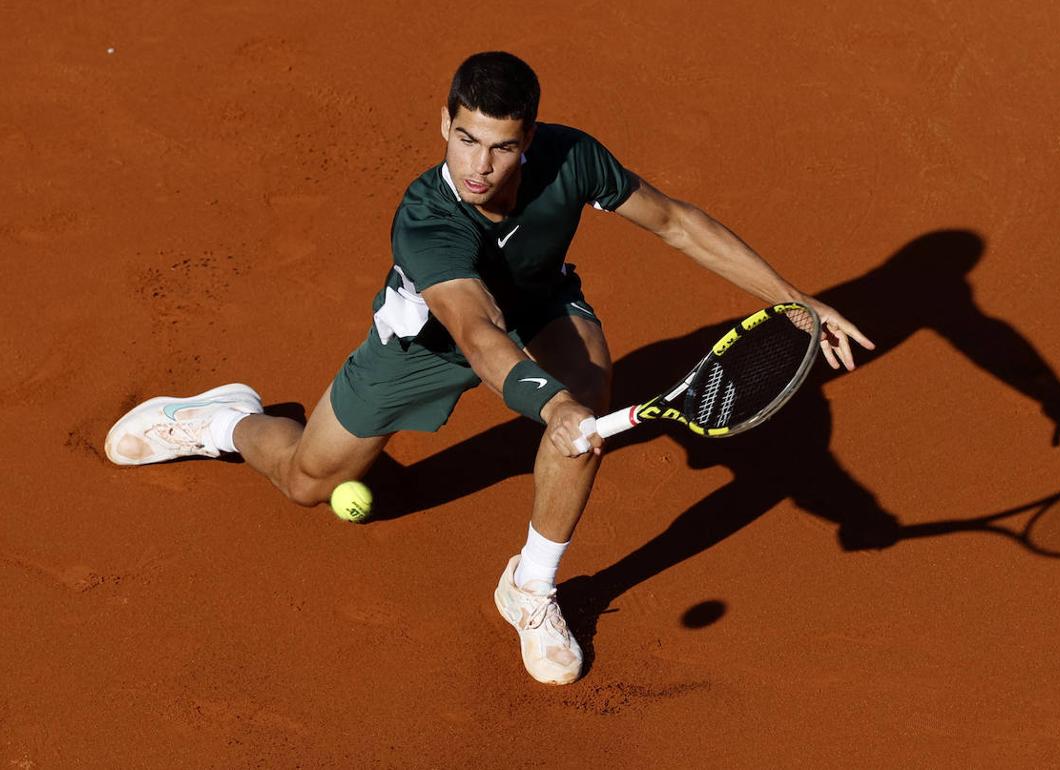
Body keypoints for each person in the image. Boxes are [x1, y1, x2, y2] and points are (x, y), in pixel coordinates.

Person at [104, 51, 874, 685]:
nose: (480, 164)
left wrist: (795, 300)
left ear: (529, 139)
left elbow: (674, 221)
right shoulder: (427, 218)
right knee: (310, 481)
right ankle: (222, 419)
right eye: (467, 139)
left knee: (589, 403)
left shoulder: (574, 159)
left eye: (502, 146)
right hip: (429, 340)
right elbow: (475, 335)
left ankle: (530, 586)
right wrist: (550, 405)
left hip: (539, 302)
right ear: (445, 124)